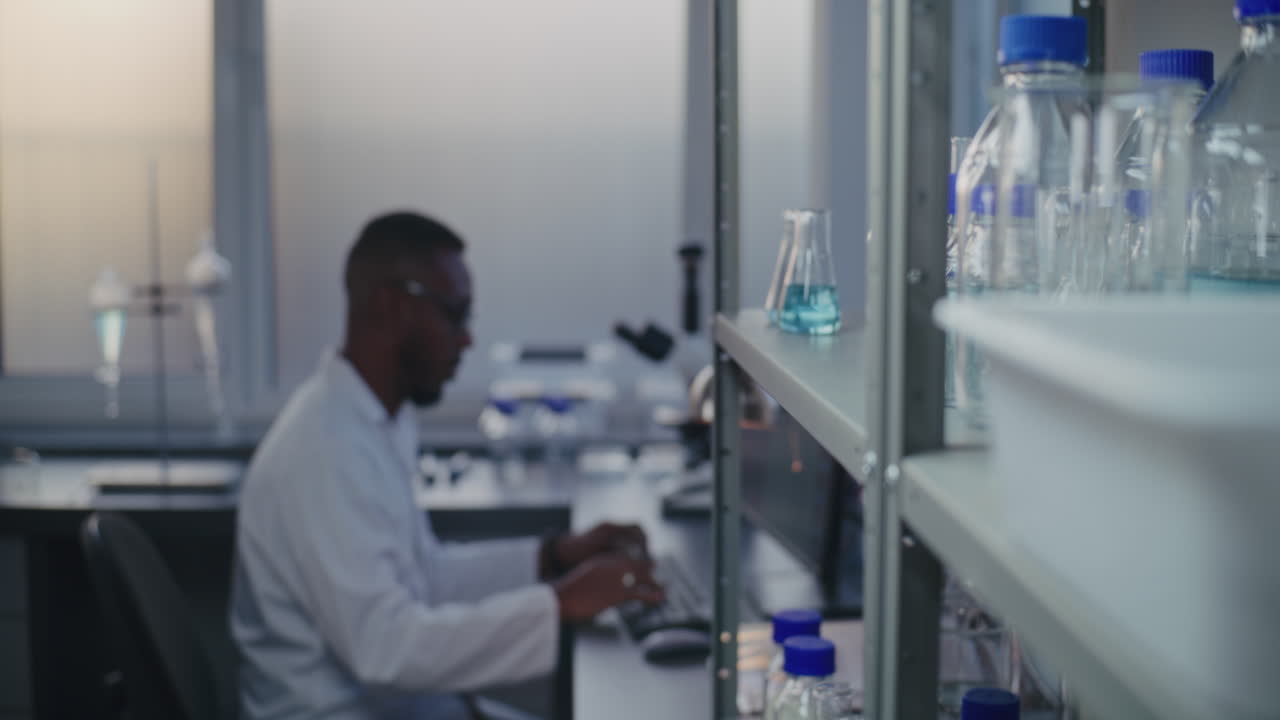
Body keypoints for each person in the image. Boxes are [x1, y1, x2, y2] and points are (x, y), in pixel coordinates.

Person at [231, 211, 664, 719]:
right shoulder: (324, 451)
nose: (467, 340)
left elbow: (423, 576)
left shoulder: (373, 421)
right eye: (455, 314)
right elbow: (383, 649)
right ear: (394, 306)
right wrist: (560, 604)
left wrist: (553, 557)